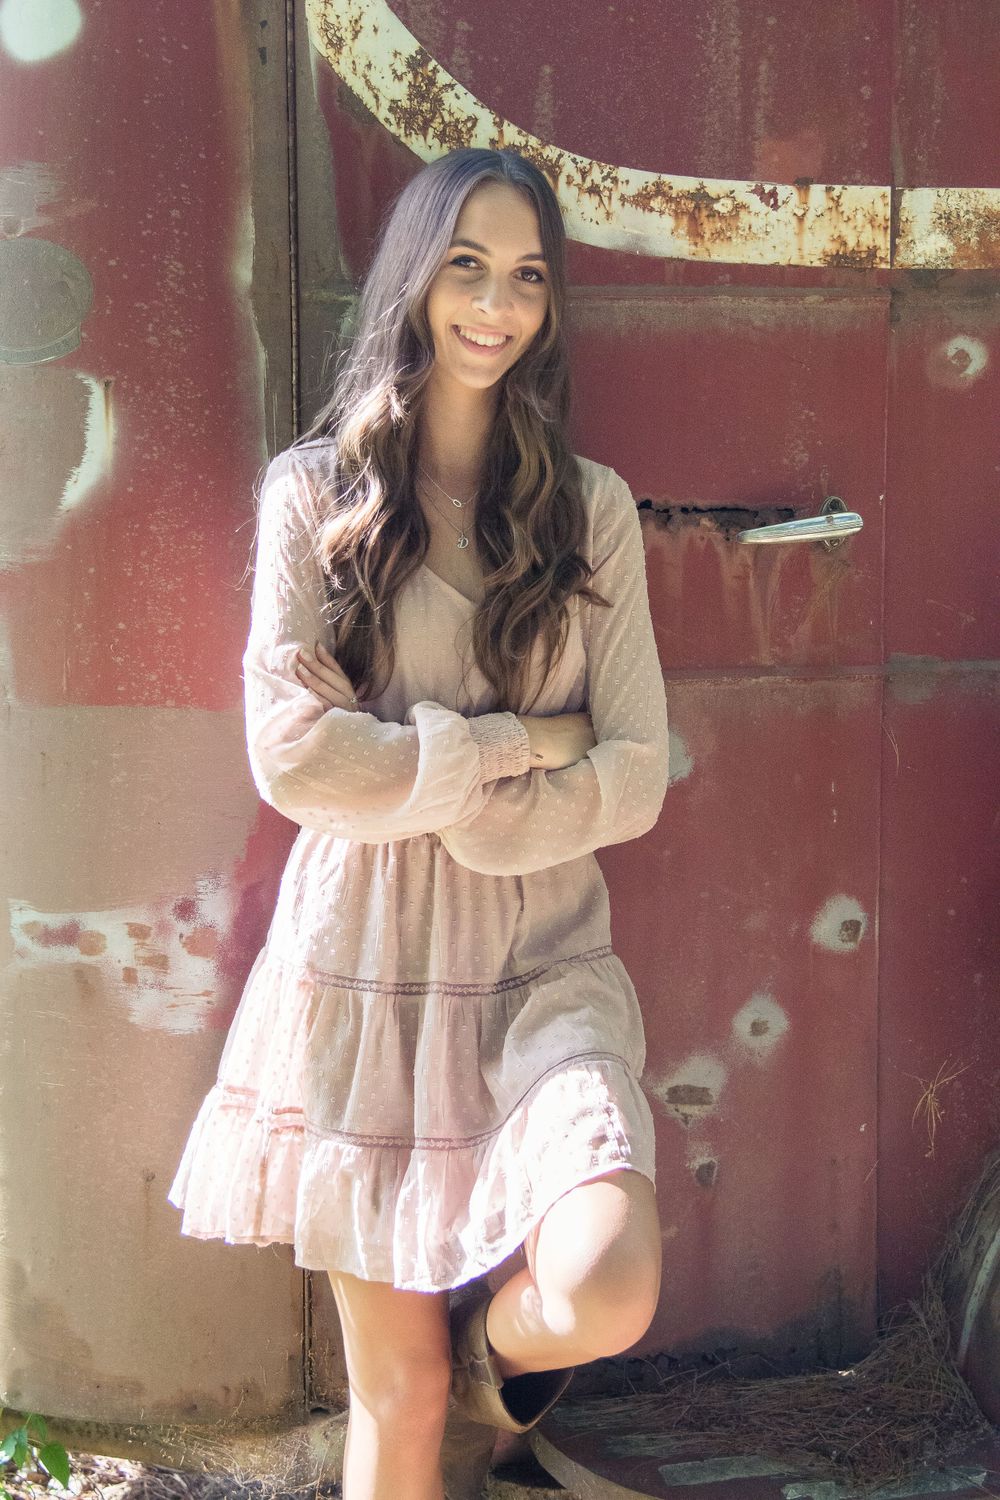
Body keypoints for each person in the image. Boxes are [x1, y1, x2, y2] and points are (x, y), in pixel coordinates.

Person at [167, 146, 670, 1500]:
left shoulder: (591, 510)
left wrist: (468, 814)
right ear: (415, 279)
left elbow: (638, 772)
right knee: (397, 1400)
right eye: (467, 268)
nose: (497, 306)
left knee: (605, 1285)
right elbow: (294, 758)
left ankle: (491, 1365)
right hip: (365, 972)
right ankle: (447, 1391)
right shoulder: (315, 497)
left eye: (528, 277)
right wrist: (517, 747)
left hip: (541, 965)